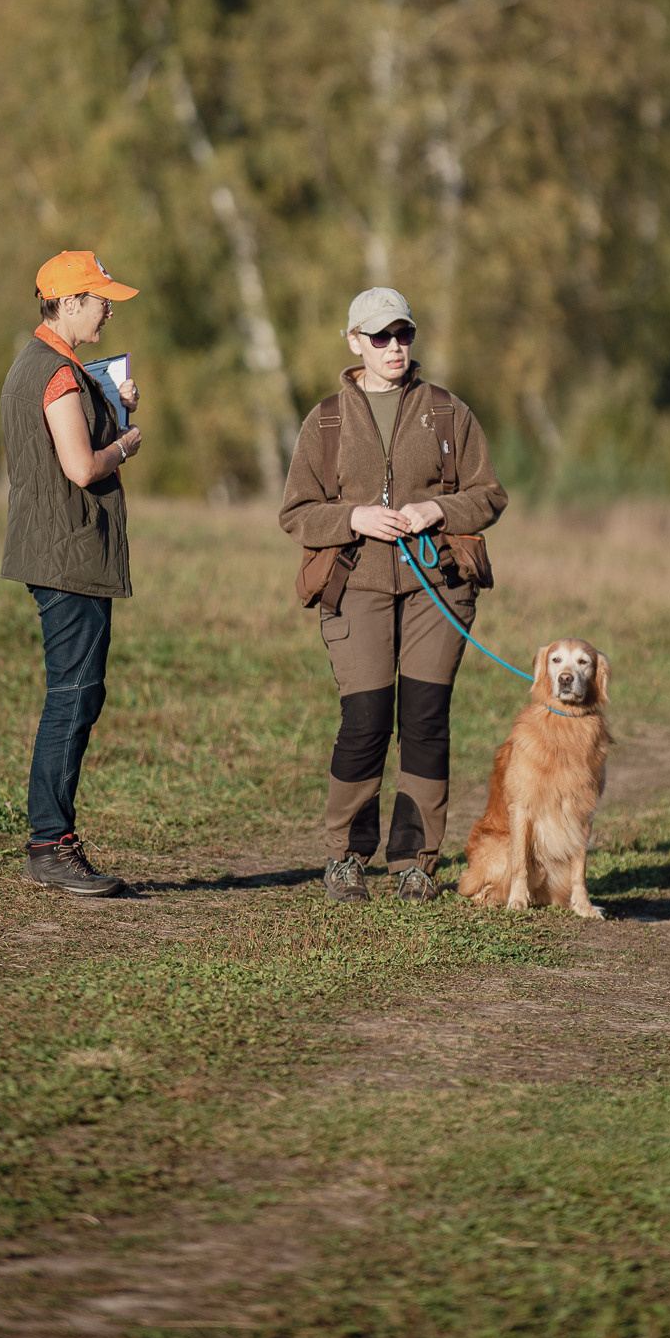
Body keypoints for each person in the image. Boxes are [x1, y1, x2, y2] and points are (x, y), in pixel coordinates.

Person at [280, 287, 507, 904]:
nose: (394, 347)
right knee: (366, 720)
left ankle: (415, 862)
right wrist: (353, 518)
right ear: (355, 342)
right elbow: (296, 513)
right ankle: (345, 857)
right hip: (355, 585)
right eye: (380, 336)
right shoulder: (325, 420)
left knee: (426, 719)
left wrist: (437, 509)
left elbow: (489, 494)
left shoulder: (449, 411)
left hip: (440, 587)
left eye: (402, 334)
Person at [0, 250, 142, 897]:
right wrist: (125, 445)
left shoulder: (39, 364)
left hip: (55, 553)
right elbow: (82, 467)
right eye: (101, 299)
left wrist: (110, 402)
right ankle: (49, 844)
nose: (109, 310)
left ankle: (51, 841)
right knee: (73, 696)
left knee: (76, 693)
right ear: (70, 302)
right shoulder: (59, 373)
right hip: (69, 557)